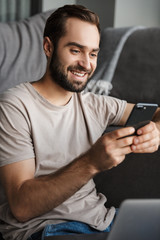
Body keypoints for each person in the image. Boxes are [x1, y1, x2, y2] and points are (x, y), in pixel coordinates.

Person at [0, 4, 160, 240]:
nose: (86, 64)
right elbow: (22, 207)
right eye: (75, 50)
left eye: (93, 53)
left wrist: (156, 129)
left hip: (103, 222)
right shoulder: (14, 105)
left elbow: (157, 113)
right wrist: (92, 162)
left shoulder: (96, 104)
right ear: (48, 47)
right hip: (46, 229)